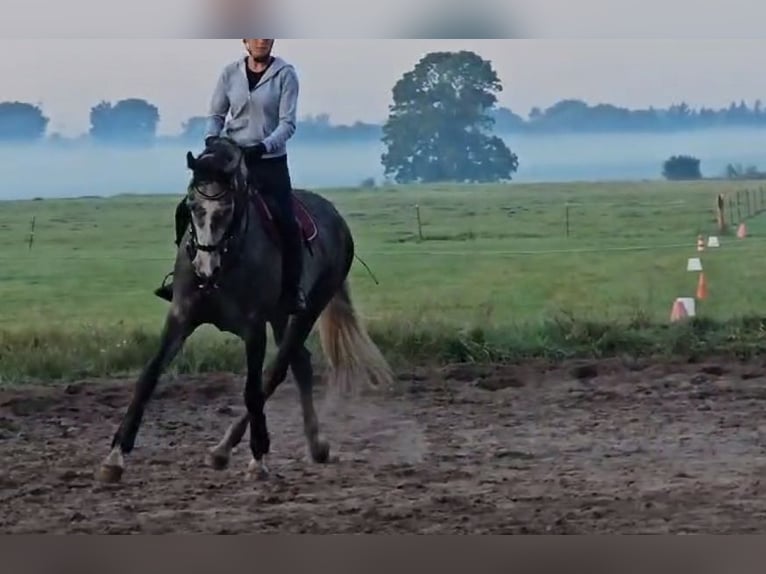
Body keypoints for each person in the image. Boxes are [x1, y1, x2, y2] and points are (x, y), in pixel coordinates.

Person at [154, 38, 306, 314]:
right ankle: (182, 277)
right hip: (230, 158)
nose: (261, 40)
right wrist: (212, 138)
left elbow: (288, 124)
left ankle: (291, 291)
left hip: (268, 161)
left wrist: (263, 147)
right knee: (186, 209)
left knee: (287, 222)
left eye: (267, 36)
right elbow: (216, 114)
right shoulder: (230, 73)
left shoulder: (286, 75)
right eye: (255, 36)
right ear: (245, 41)